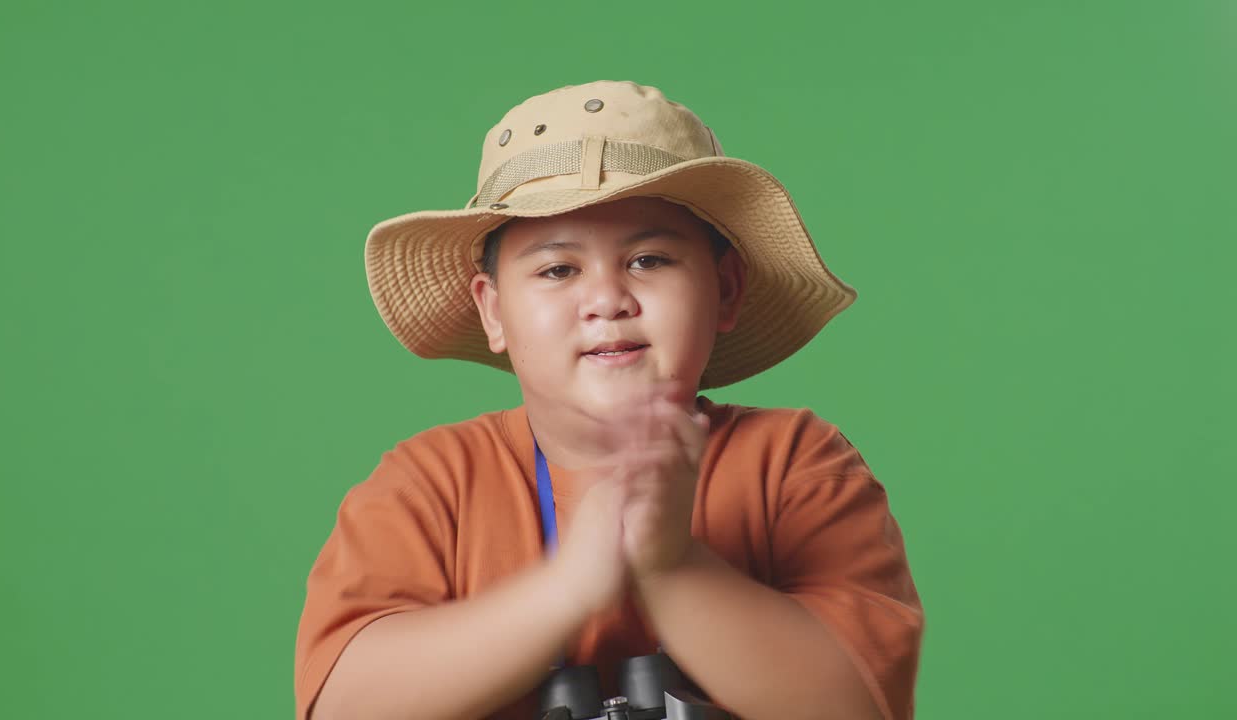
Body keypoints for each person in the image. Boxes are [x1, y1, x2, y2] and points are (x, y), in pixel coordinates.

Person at [293, 80, 924, 720]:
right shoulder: (428, 484)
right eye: (558, 270)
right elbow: (342, 706)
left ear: (726, 290)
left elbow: (858, 705)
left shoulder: (794, 463)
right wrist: (571, 584)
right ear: (493, 311)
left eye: (649, 260)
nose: (607, 299)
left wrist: (674, 565)